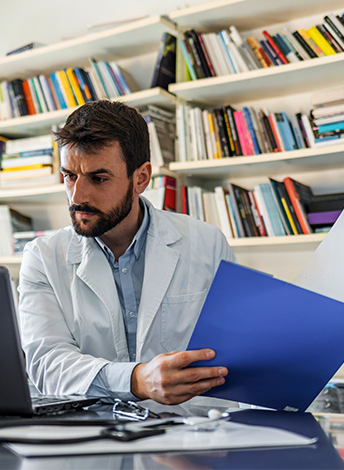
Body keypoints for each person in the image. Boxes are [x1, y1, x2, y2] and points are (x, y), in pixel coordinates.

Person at [18, 100, 236, 405]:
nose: (78, 196)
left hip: (189, 435)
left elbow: (233, 355)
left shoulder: (207, 244)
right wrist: (137, 380)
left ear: (141, 178)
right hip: (92, 436)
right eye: (69, 176)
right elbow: (46, 364)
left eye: (99, 178)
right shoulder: (42, 257)